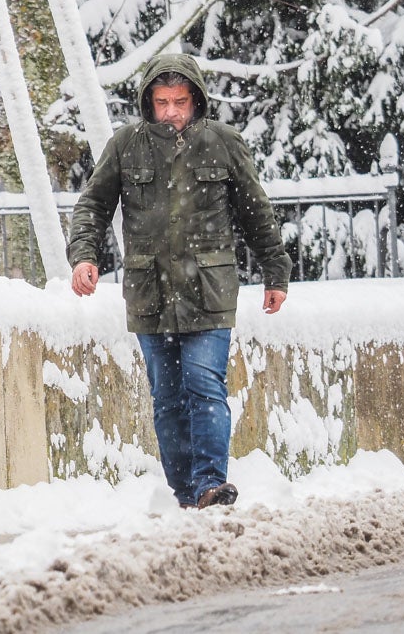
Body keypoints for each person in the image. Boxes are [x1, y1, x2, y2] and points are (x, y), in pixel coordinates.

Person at [67, 53, 290, 509]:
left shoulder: (223, 143)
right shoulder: (126, 145)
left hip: (209, 290)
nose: (171, 111)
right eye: (163, 101)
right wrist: (84, 257)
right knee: (167, 397)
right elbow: (92, 206)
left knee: (204, 384)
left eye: (180, 101)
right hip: (150, 292)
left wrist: (275, 271)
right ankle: (186, 491)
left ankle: (210, 482)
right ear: (149, 101)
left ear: (196, 101)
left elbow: (255, 211)